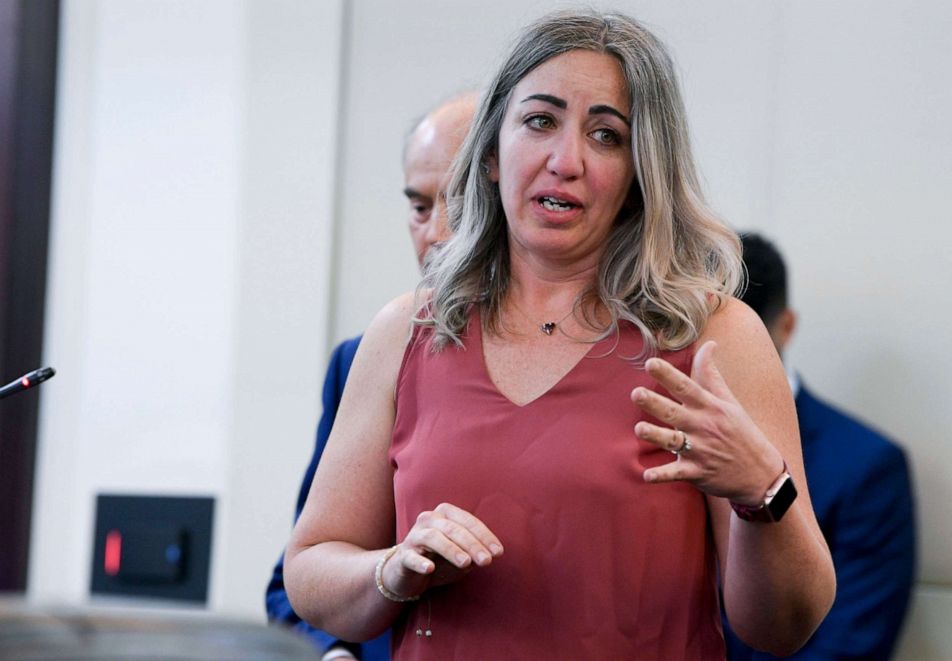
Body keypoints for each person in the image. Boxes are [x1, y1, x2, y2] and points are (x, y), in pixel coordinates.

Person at [284, 10, 836, 659]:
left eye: (606, 135)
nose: (566, 160)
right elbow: (311, 569)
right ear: (490, 153)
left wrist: (762, 492)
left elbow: (784, 626)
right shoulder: (407, 331)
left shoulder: (715, 334)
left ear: (639, 175)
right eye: (540, 121)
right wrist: (394, 570)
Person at [265, 92, 478, 661]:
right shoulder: (365, 359)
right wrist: (336, 651)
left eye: (458, 203)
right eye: (418, 207)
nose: (435, 234)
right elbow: (296, 580)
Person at [725, 233, 915, 660]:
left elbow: (851, 645)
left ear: (786, 327)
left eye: (741, 335)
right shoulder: (647, 442)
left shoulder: (866, 467)